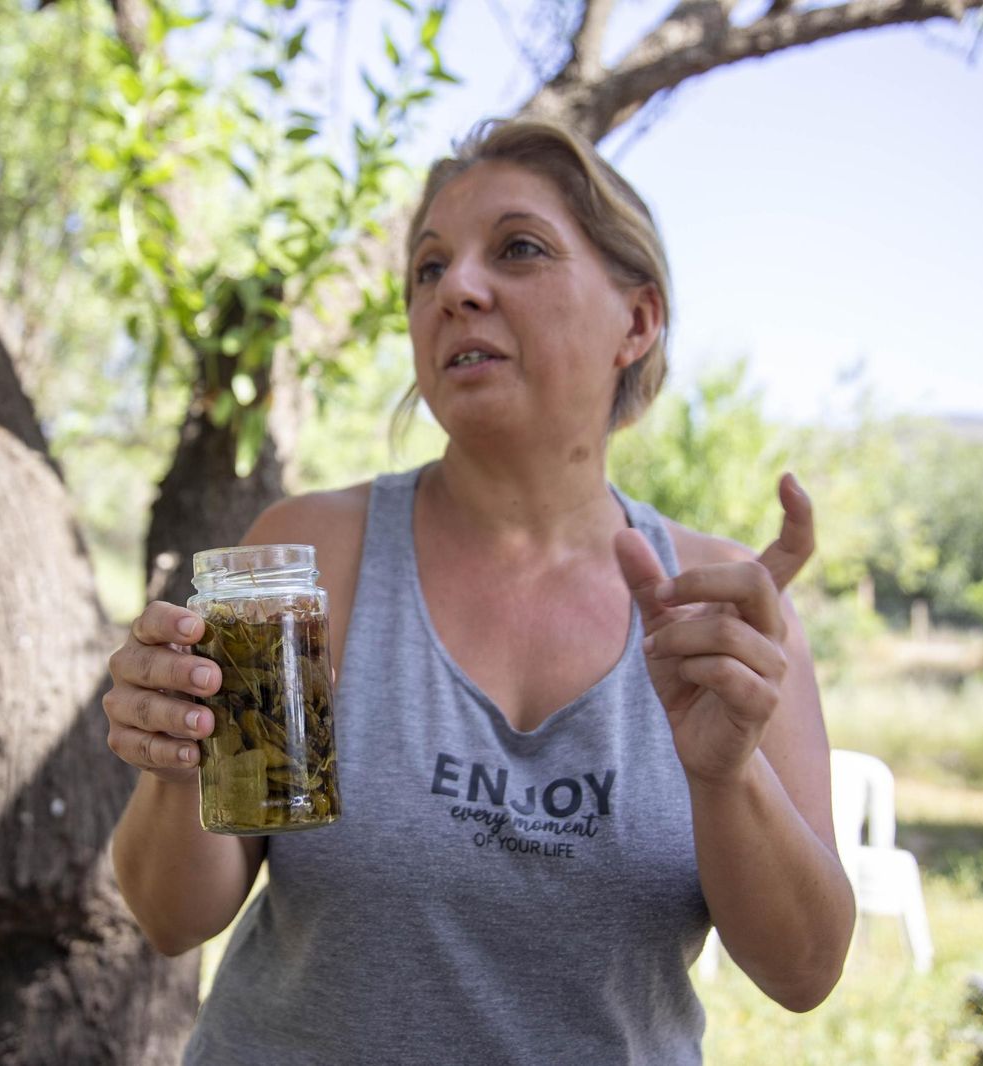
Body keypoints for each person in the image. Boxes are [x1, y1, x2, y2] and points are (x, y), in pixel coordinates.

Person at [104, 117, 856, 1064]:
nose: (456, 289)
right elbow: (176, 915)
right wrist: (178, 765)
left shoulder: (722, 612)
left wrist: (724, 773)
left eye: (519, 250)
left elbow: (805, 971)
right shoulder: (308, 558)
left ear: (639, 319)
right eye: (428, 269)